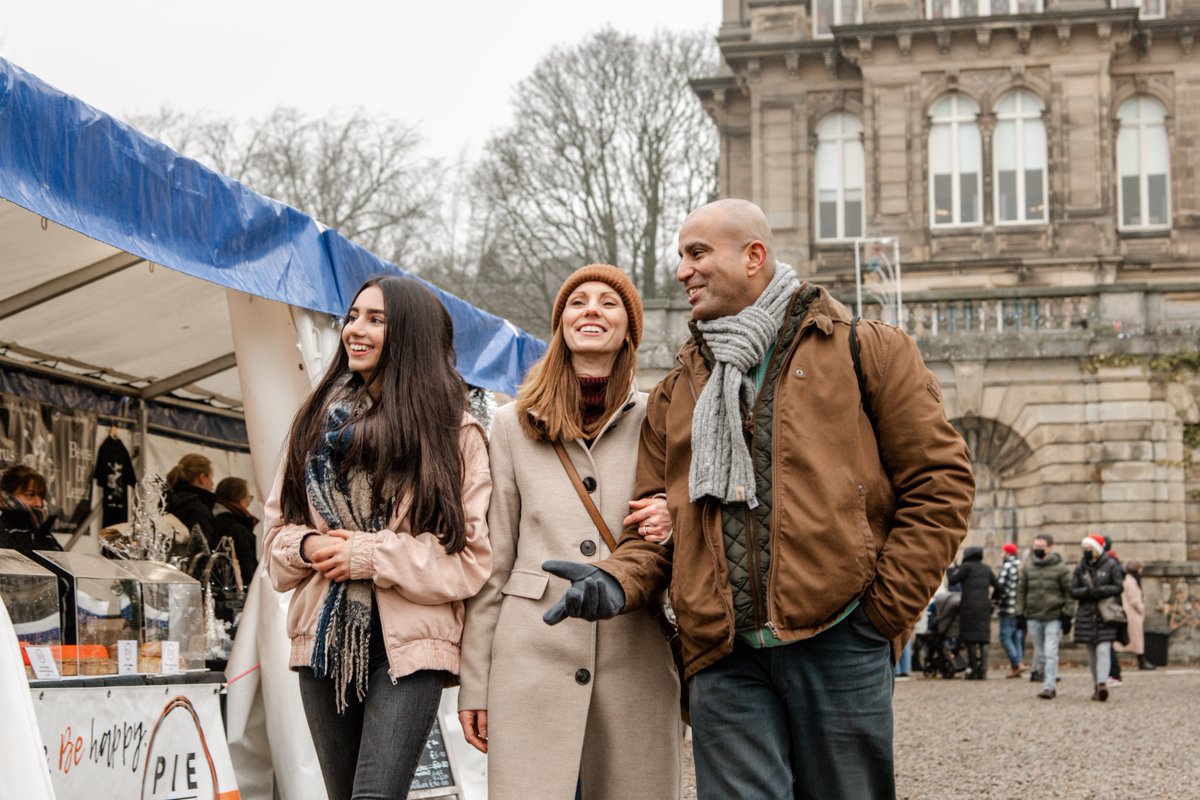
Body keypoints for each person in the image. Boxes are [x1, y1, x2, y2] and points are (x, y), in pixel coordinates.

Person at [543, 199, 975, 799]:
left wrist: (879, 616)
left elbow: (941, 483)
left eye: (697, 253)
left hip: (841, 641)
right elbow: (655, 527)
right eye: (680, 256)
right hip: (723, 657)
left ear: (753, 257)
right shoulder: (675, 392)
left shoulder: (867, 350)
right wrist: (616, 581)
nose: (682, 270)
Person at [263, 276, 493, 800]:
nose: (355, 330)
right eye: (352, 317)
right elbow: (275, 540)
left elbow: (469, 560)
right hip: (325, 641)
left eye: (376, 320)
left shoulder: (456, 435)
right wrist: (307, 547)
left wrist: (366, 554)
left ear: (411, 335)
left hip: (410, 648)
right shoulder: (314, 427)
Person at [458, 265, 680, 800]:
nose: (592, 310)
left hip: (635, 652)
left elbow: (690, 519)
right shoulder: (512, 424)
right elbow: (494, 562)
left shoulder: (659, 417)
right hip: (530, 656)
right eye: (578, 302)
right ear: (561, 325)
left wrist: (673, 514)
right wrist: (475, 682)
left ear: (629, 330)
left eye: (609, 302)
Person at [1015, 533, 1074, 699]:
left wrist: (1068, 615)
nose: (1038, 550)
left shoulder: (1061, 568)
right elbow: (1021, 592)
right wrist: (1019, 613)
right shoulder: (1028, 568)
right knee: (1040, 653)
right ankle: (1045, 679)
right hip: (1034, 616)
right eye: (1036, 547)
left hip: (1053, 616)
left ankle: (1049, 686)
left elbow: (1068, 593)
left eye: (1041, 547)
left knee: (1050, 652)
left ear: (1050, 547)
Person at [1070, 534, 1124, 702]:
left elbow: (1118, 586)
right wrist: (1087, 592)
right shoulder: (1080, 568)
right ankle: (1096, 684)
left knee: (1103, 649)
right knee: (1091, 653)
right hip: (1086, 614)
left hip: (1105, 614)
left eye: (1089, 548)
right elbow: (1073, 590)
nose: (1086, 551)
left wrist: (1100, 591)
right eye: (1084, 548)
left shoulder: (1111, 565)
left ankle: (1102, 683)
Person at [947, 546, 999, 680]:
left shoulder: (966, 567)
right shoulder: (986, 568)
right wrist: (993, 600)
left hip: (968, 606)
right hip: (984, 607)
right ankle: (983, 670)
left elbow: (952, 580)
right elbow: (999, 587)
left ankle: (974, 670)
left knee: (971, 639)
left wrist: (950, 568)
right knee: (983, 639)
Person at [0, 465, 61, 554]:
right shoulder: (3, 531)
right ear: (6, 496)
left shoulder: (45, 534)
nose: (39, 503)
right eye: (30, 495)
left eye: (41, 496)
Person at [165, 453, 218, 548]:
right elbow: (203, 549)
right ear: (202, 478)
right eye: (211, 477)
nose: (212, 484)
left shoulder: (166, 500)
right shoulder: (198, 509)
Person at [213, 476, 259, 580]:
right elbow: (246, 565)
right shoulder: (235, 527)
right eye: (249, 496)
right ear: (239, 498)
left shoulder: (218, 519)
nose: (250, 501)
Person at [1114, 559, 1156, 672]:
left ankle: (1141, 660)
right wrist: (1141, 608)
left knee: (1132, 639)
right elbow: (1135, 600)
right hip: (1132, 613)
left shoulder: (1127, 580)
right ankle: (1141, 660)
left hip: (1130, 612)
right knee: (1135, 639)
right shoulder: (1131, 581)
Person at [996, 542, 1025, 677]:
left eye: (1003, 552)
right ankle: (1018, 665)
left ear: (1007, 553)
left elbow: (1001, 588)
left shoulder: (1007, 566)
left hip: (1007, 607)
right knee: (1016, 637)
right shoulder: (1020, 565)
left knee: (1005, 637)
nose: (1001, 554)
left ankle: (1017, 663)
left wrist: (995, 601)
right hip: (1020, 609)